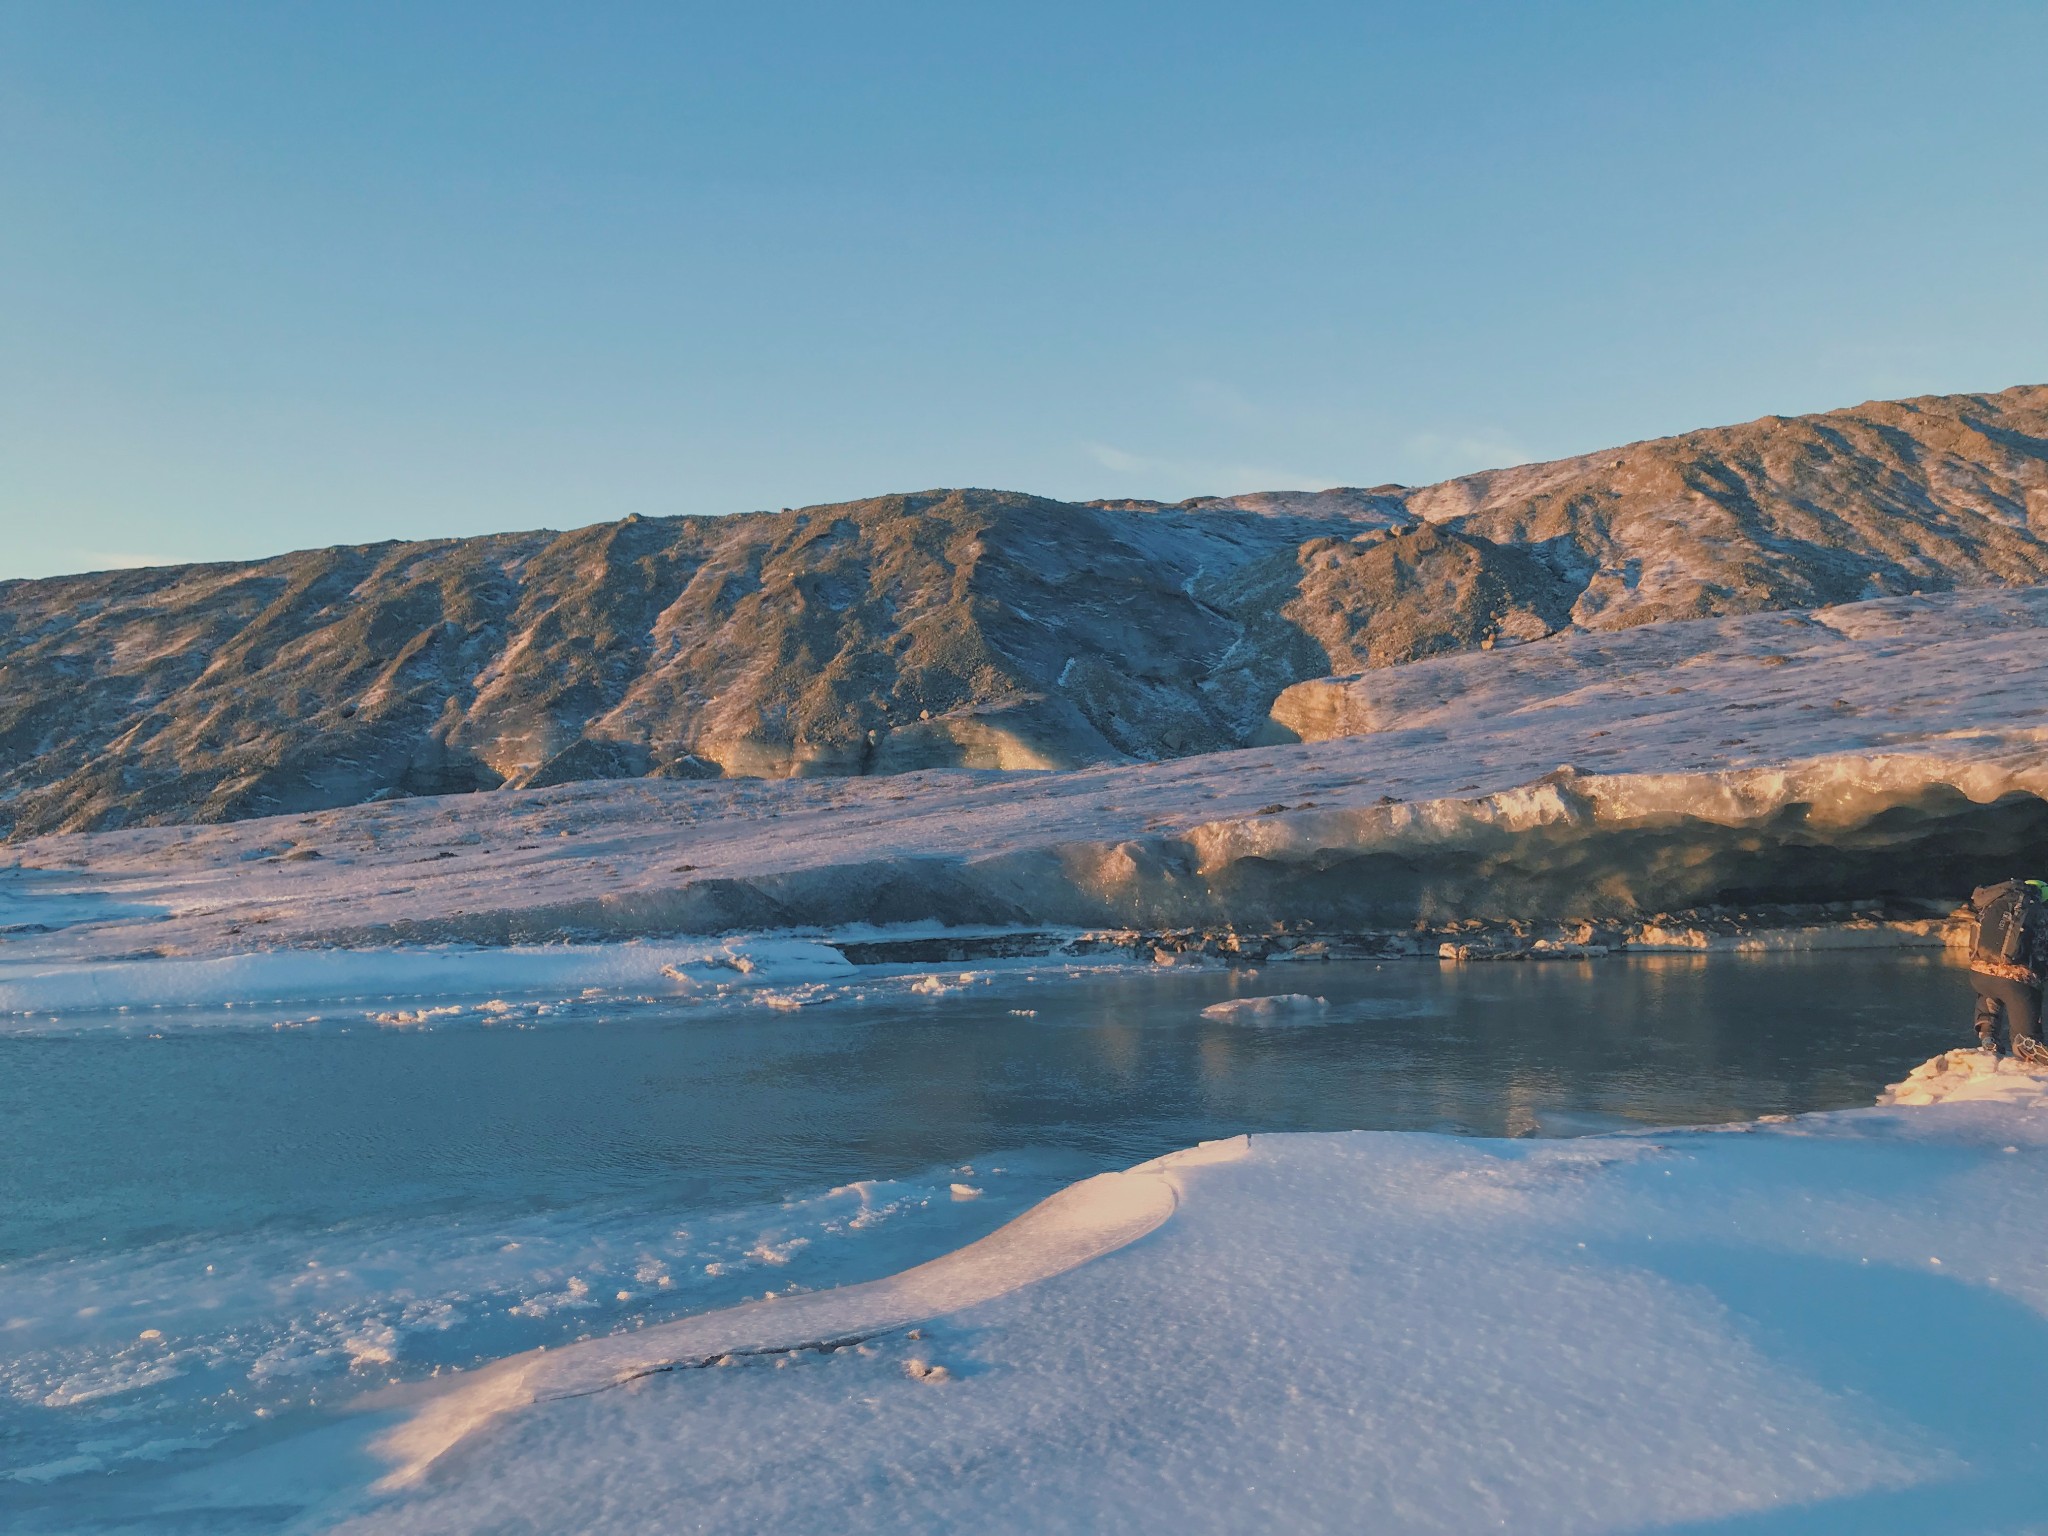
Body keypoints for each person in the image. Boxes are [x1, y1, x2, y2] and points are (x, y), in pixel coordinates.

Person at [1966, 878, 2048, 1064]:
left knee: (1991, 984)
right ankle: (2029, 1046)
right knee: (2026, 1041)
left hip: (1978, 975)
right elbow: (2041, 949)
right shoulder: (2033, 909)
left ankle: (1989, 1036)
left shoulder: (1991, 902)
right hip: (2015, 982)